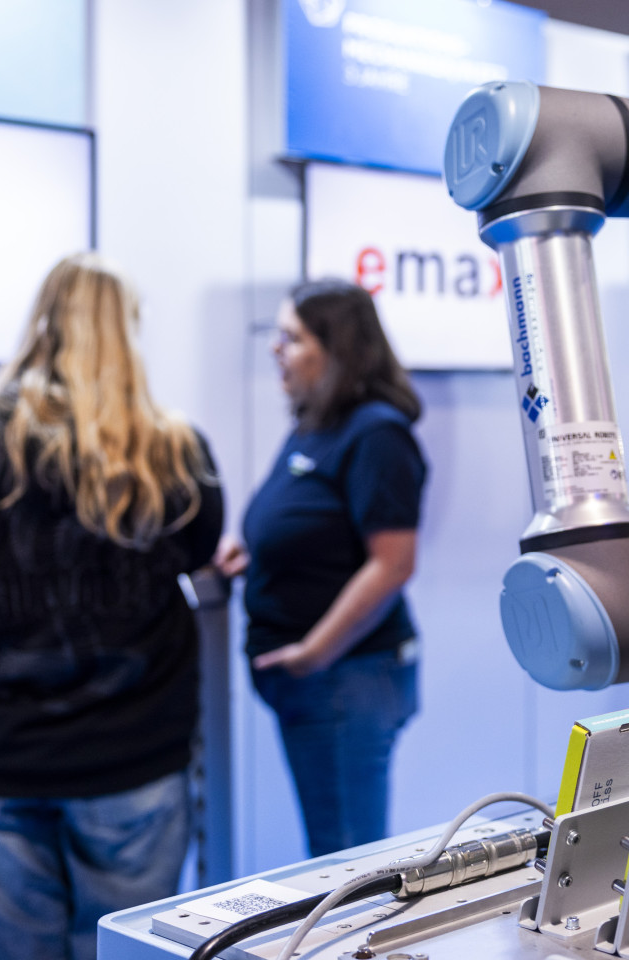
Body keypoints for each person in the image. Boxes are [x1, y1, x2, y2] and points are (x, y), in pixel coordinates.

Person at [0, 253, 223, 960]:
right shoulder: (169, 455)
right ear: (124, 335)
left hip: (1, 763)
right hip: (133, 763)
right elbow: (200, 549)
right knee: (128, 953)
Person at [215, 279, 426, 857]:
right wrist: (257, 553)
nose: (274, 349)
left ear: (337, 349)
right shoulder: (317, 424)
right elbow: (316, 529)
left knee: (348, 860)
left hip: (346, 678)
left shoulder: (377, 433)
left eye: (291, 338)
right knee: (333, 850)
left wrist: (315, 653)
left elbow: (392, 564)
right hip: (321, 684)